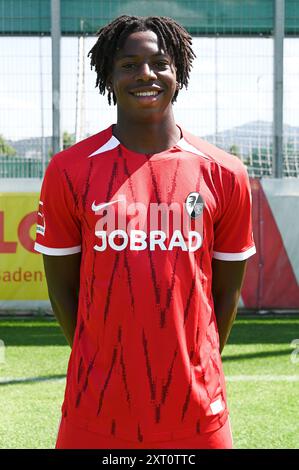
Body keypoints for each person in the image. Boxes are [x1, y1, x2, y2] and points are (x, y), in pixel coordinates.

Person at [34, 15, 256, 449]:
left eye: (160, 62)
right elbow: (63, 291)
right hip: (93, 409)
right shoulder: (69, 170)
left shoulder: (225, 173)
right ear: (109, 76)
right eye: (129, 64)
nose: (146, 75)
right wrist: (103, 359)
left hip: (199, 408)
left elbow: (226, 295)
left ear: (179, 71)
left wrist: (192, 364)